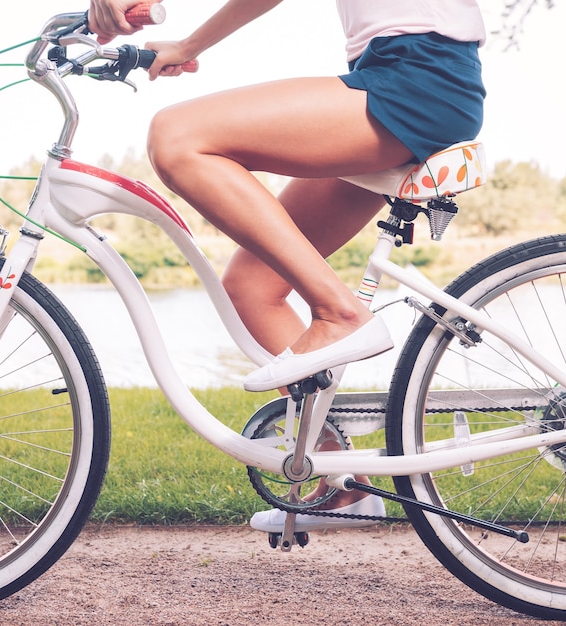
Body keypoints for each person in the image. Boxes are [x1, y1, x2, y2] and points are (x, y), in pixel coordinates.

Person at [88, 0, 486, 532]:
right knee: (252, 285)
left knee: (177, 136)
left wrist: (187, 46)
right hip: (396, 74)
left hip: (418, 76)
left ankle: (339, 313)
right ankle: (342, 483)